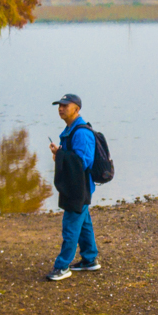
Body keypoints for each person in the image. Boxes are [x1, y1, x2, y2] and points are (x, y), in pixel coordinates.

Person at [47, 93, 99, 281]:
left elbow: (82, 162)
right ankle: (89, 259)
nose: (61, 109)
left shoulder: (82, 133)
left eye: (65, 106)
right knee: (84, 224)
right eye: (59, 105)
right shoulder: (70, 129)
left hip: (79, 188)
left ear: (76, 109)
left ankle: (62, 266)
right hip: (76, 186)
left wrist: (60, 154)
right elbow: (72, 158)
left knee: (70, 225)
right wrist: (59, 153)